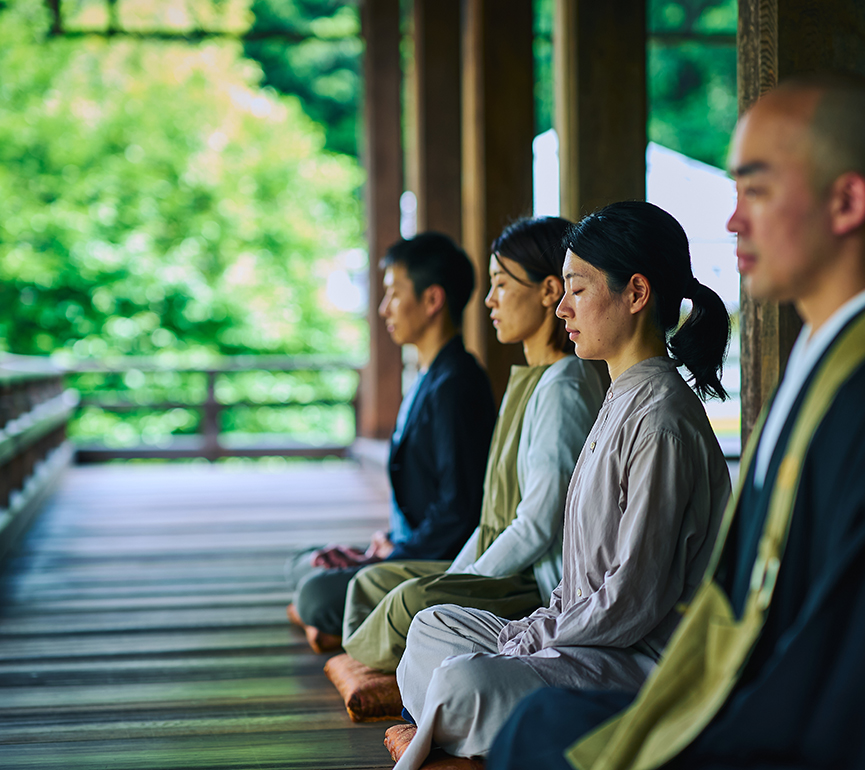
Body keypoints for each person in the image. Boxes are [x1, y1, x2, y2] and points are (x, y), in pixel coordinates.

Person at [488, 74, 865, 770]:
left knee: (535, 730)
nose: (734, 220)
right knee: (538, 719)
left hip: (814, 735)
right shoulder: (834, 363)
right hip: (768, 702)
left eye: (757, 190)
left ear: (846, 201)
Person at [391, 201, 734, 770]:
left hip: (636, 660)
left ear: (637, 293)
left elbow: (634, 600)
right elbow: (580, 578)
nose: (564, 306)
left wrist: (532, 639)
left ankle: (469, 720)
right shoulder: (619, 394)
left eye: (576, 289)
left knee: (465, 680)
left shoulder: (663, 421)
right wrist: (530, 631)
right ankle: (469, 719)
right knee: (432, 630)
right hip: (576, 638)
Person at [339, 217, 606, 673]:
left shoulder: (562, 386)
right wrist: (451, 578)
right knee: (369, 584)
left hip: (532, 581)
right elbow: (488, 520)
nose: (489, 300)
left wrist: (459, 581)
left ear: (547, 292)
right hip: (494, 558)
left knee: (407, 603)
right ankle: (384, 660)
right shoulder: (529, 379)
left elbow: (537, 525)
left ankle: (386, 666)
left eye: (501, 284)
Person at [285, 232, 497, 653]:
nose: (384, 309)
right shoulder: (430, 374)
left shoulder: (456, 385)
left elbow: (459, 512)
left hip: (438, 562)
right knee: (306, 563)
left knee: (315, 594)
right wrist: (385, 545)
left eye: (393, 295)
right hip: (409, 546)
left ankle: (351, 619)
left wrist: (393, 556)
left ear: (432, 300)